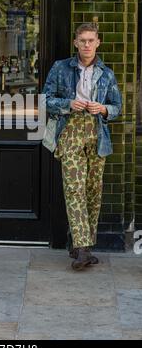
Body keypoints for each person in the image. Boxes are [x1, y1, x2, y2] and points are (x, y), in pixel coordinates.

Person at [42, 23, 122, 270]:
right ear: (75, 42)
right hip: (70, 131)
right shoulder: (60, 68)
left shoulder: (106, 74)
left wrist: (105, 109)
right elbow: (45, 100)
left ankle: (79, 244)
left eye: (91, 40)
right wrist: (68, 104)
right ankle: (84, 250)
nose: (87, 44)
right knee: (74, 189)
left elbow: (117, 107)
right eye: (82, 40)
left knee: (92, 192)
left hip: (97, 135)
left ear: (98, 42)